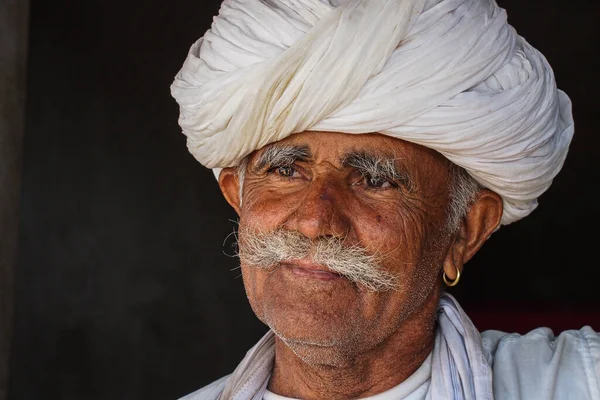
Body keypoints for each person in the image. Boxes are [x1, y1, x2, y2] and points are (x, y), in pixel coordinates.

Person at [170, 0, 599, 399]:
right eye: (286, 172)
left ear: (464, 231)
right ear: (238, 198)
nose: (316, 221)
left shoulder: (578, 381)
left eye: (375, 182)